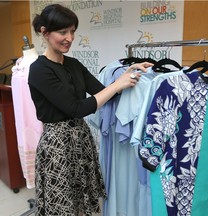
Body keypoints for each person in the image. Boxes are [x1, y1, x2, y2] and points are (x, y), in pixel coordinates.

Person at [28, 3, 153, 216]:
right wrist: (117, 85)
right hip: (57, 146)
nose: (69, 37)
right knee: (62, 205)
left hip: (81, 140)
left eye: (72, 31)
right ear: (45, 32)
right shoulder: (39, 70)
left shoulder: (74, 64)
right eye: (62, 32)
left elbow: (103, 92)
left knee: (81, 203)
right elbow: (76, 108)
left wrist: (128, 73)